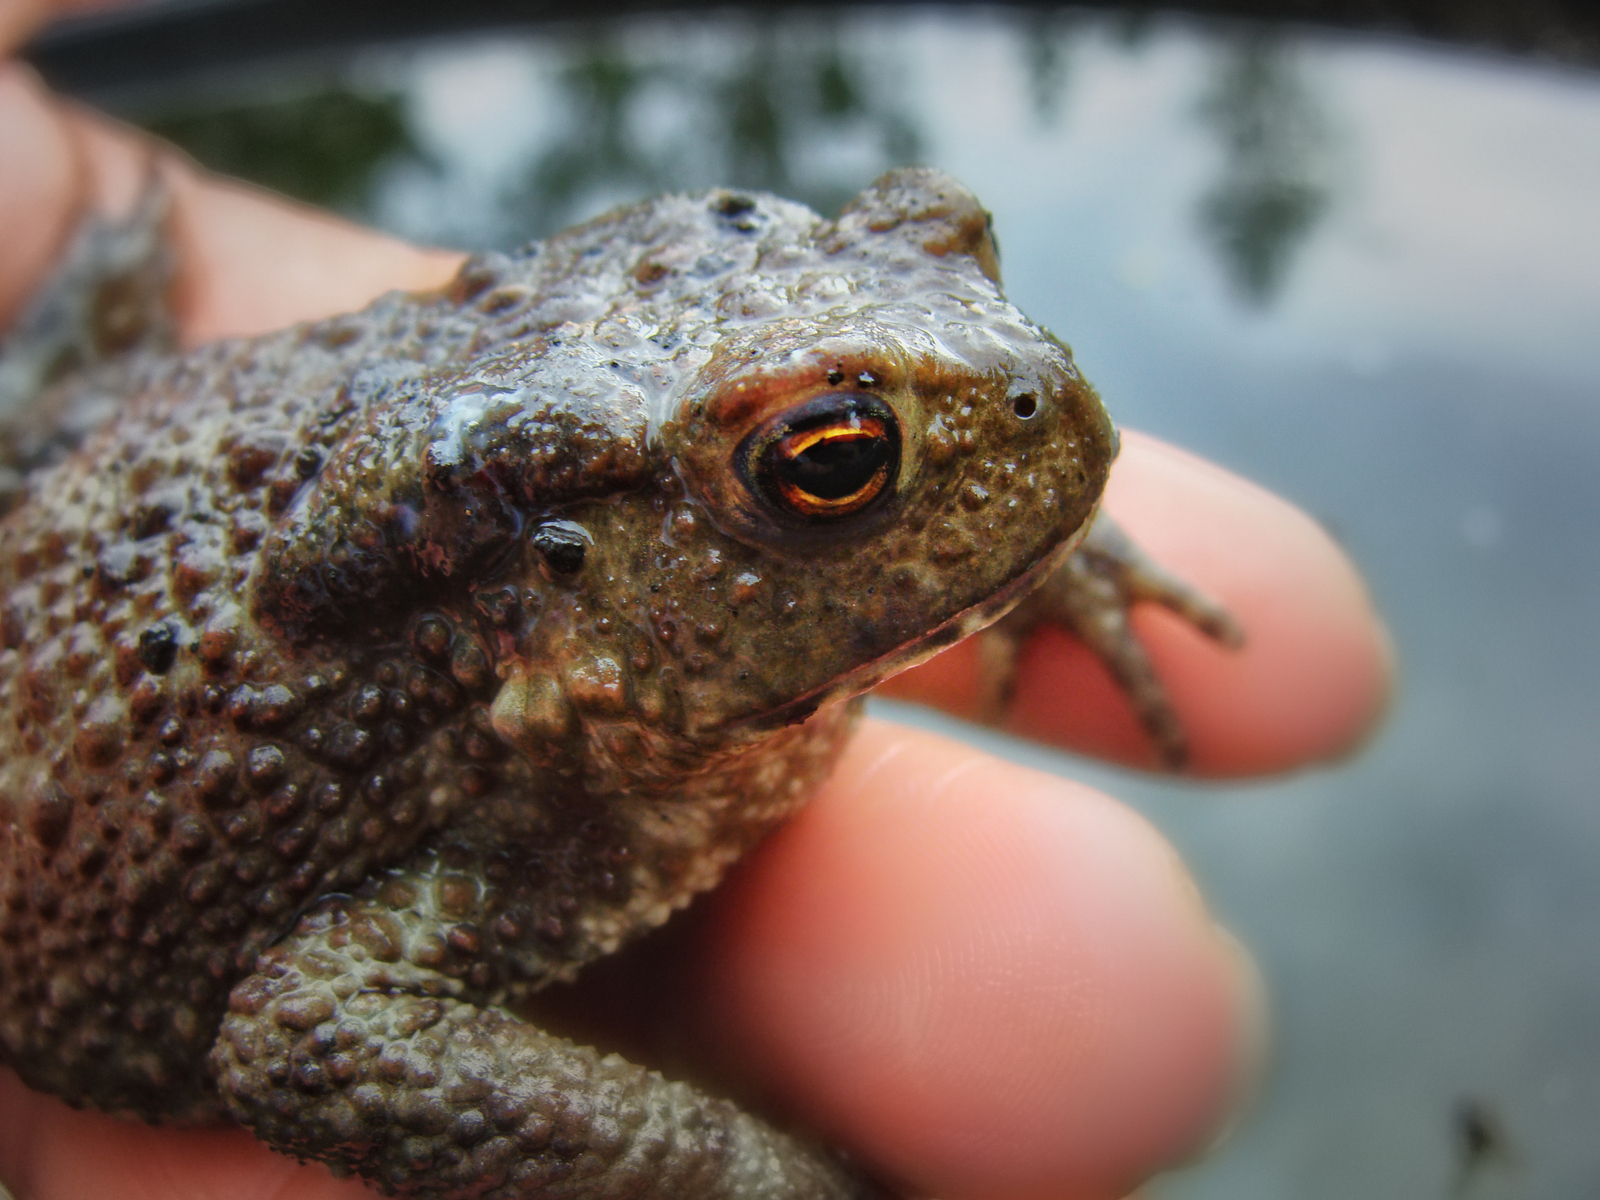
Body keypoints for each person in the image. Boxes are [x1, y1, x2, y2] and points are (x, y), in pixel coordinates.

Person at [0, 8, 1390, 1197]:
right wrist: (726, 1170)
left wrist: (1029, 541)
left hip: (164, 447)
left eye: (961, 257)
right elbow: (304, 1030)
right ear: (570, 587)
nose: (1038, 390)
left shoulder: (609, 567)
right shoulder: (516, 728)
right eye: (836, 462)